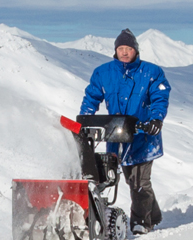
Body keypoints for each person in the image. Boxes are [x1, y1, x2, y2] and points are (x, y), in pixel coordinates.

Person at [79, 28, 171, 235]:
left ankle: (141, 222)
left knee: (139, 182)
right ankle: (153, 215)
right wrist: (85, 118)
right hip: (116, 135)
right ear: (115, 50)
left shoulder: (151, 72)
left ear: (135, 50)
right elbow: (92, 96)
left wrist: (156, 119)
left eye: (128, 48)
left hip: (143, 136)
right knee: (128, 179)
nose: (124, 52)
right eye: (121, 48)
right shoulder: (103, 72)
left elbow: (160, 97)